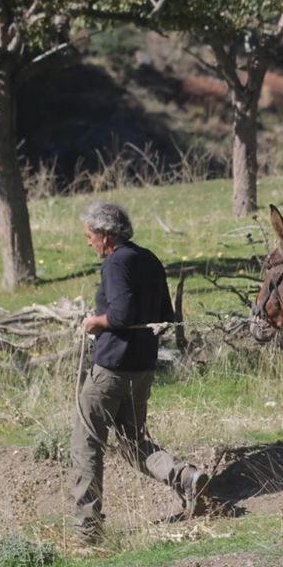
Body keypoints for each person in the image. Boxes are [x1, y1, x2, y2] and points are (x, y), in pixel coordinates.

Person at [73, 201, 210, 544]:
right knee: (133, 442)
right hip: (143, 368)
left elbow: (119, 315)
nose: (89, 242)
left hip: (110, 370)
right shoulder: (148, 258)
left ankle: (87, 530)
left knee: (86, 441)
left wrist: (94, 322)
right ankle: (184, 476)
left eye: (90, 236)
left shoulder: (115, 263)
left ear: (105, 235)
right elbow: (166, 314)